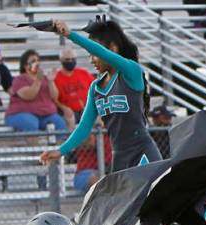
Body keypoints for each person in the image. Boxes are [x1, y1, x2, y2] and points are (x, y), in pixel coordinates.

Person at [42, 19, 162, 172]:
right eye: (89, 55)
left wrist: (71, 35)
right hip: (119, 157)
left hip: (143, 154)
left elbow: (103, 53)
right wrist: (60, 151)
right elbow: (84, 127)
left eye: (94, 54)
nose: (91, 60)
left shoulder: (131, 72)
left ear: (113, 49)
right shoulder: (96, 87)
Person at [5, 50, 73, 134]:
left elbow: (54, 97)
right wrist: (38, 81)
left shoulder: (45, 78)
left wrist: (51, 81)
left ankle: (59, 147)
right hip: (20, 113)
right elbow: (29, 95)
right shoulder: (19, 80)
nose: (37, 63)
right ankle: (35, 147)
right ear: (26, 66)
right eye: (33, 61)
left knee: (60, 123)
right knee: (31, 124)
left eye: (38, 61)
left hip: (45, 114)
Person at [53, 47, 95, 118]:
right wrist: (64, 108)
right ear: (61, 60)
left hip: (87, 109)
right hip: (68, 112)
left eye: (73, 59)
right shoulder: (56, 77)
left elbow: (96, 89)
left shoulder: (84, 73)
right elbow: (54, 99)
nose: (70, 61)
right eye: (67, 59)